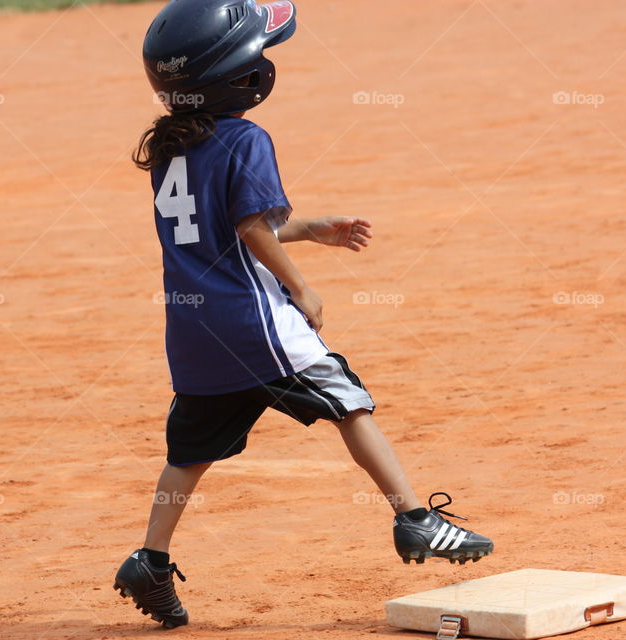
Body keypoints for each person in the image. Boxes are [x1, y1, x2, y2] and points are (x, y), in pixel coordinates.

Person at [113, 0, 494, 628]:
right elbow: (247, 227)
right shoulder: (245, 137)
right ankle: (415, 520)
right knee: (350, 402)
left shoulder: (170, 149)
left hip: (194, 331)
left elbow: (217, 234)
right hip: (252, 322)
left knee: (189, 452)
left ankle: (150, 560)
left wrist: (310, 228)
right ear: (239, 76)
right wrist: (301, 287)